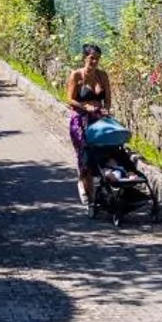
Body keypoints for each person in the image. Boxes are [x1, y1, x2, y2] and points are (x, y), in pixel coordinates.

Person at [64, 43, 112, 204]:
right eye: (91, 58)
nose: (94, 62)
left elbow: (108, 99)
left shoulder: (102, 76)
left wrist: (105, 109)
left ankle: (104, 188)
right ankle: (85, 185)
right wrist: (84, 106)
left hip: (98, 118)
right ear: (85, 58)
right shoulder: (76, 75)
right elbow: (69, 99)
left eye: (97, 59)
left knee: (105, 150)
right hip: (80, 119)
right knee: (85, 153)